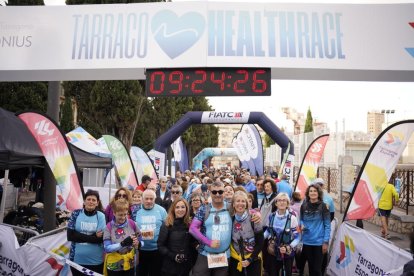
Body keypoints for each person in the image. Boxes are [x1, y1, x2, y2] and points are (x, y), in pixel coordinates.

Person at [189, 181, 233, 276]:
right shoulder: (204, 208)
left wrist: (256, 214)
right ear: (210, 193)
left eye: (220, 192)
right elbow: (192, 229)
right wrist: (208, 242)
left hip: (224, 255)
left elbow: (245, 211)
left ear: (224, 193)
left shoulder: (230, 207)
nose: (217, 194)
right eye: (214, 192)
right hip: (205, 254)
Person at [67, 189, 106, 275]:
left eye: (93, 200)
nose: (91, 202)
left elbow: (100, 239)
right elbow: (70, 236)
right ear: (84, 201)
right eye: (88, 199)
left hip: (96, 261)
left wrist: (77, 235)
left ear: (97, 203)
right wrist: (93, 235)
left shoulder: (101, 216)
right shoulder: (76, 214)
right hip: (76, 260)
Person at [264, 192, 300, 276]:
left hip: (287, 253)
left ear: (287, 203)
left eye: (284, 200)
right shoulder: (271, 216)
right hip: (273, 251)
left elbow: (298, 237)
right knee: (273, 273)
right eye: (279, 200)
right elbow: (268, 231)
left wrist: (289, 246)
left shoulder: (293, 218)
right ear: (276, 203)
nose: (282, 202)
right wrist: (259, 239)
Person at [299, 184, 331, 276]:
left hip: (319, 243)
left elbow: (327, 225)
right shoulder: (304, 206)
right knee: (311, 268)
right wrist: (302, 225)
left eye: (315, 191)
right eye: (311, 191)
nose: (313, 193)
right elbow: (301, 220)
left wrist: (325, 242)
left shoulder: (324, 206)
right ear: (308, 194)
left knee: (317, 270)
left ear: (318, 193)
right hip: (307, 241)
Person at [229, 191, 264, 276]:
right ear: (233, 204)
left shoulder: (254, 219)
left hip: (253, 260)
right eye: (237, 201)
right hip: (236, 260)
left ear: (247, 204)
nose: (240, 204)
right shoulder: (230, 219)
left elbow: (260, 243)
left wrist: (250, 260)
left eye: (243, 201)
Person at [103, 199, 141, 276]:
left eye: (125, 214)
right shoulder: (109, 226)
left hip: (130, 263)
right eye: (120, 215)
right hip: (114, 265)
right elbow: (107, 247)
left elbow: (141, 240)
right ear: (114, 213)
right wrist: (122, 244)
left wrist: (138, 244)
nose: (123, 217)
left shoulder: (132, 223)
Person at [158, 199, 194, 276]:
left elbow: (192, 243)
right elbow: (160, 246)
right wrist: (174, 256)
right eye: (177, 207)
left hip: (185, 266)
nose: (180, 210)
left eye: (182, 207)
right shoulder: (167, 225)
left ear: (187, 209)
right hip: (169, 266)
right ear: (173, 209)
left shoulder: (190, 225)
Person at [135, 189, 167, 276]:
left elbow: (167, 227)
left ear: (155, 199)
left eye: (151, 199)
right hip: (140, 250)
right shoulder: (136, 210)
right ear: (142, 199)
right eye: (146, 198)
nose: (149, 201)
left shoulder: (161, 210)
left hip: (156, 250)